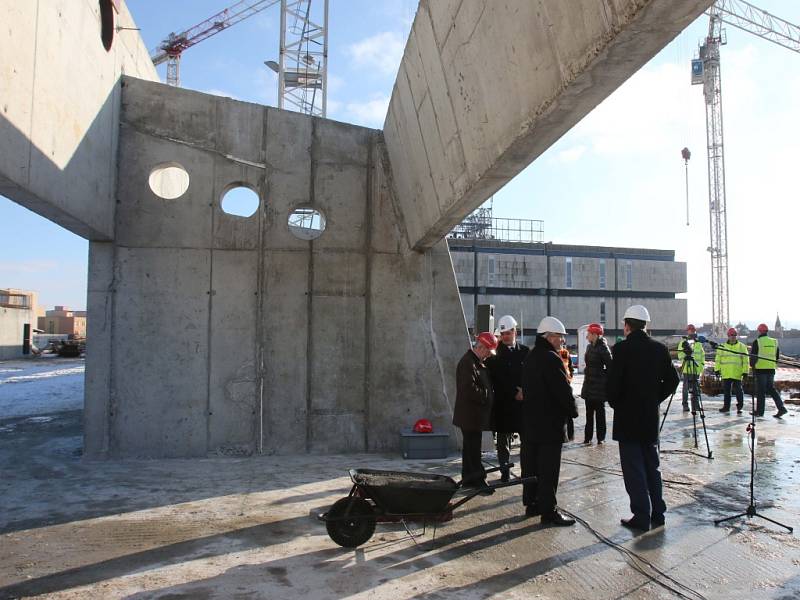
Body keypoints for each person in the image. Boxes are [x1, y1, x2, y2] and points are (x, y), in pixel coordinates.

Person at [607, 305, 679, 531]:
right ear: (646, 326)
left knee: (634, 469)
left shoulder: (620, 350)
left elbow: (612, 388)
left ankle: (641, 515)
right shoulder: (659, 349)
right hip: (649, 418)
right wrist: (654, 399)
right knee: (652, 466)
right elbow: (673, 381)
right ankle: (658, 512)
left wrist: (618, 404)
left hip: (627, 420)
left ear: (627, 325)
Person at [521, 316, 579, 526]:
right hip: (550, 425)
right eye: (559, 337)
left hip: (531, 423)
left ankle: (532, 503)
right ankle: (549, 511)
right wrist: (573, 411)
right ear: (549, 337)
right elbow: (562, 391)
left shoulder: (530, 357)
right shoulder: (551, 359)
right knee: (548, 470)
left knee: (531, 466)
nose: (562, 341)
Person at [453, 332, 498, 494]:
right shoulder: (468, 363)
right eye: (487, 352)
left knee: (470, 448)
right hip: (471, 415)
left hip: (472, 415)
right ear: (481, 347)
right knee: (473, 449)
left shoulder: (474, 362)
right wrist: (486, 395)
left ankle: (468, 478)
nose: (488, 356)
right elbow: (468, 388)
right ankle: (478, 481)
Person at [486, 315, 528, 482]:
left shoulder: (525, 352)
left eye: (508, 333)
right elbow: (497, 379)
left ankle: (527, 470)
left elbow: (531, 375)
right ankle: (504, 471)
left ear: (514, 332)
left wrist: (525, 391)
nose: (505, 337)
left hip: (522, 404)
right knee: (503, 441)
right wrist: (514, 392)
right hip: (504, 405)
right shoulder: (494, 356)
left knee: (526, 440)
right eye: (502, 334)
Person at [581, 323, 612, 444]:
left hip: (599, 387)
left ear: (595, 334)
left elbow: (610, 366)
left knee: (600, 414)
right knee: (589, 414)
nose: (587, 336)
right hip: (589, 385)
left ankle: (601, 438)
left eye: (588, 334)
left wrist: (601, 375)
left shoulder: (603, 348)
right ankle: (587, 438)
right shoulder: (589, 347)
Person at [749, 323, 787, 418]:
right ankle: (781, 408)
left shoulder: (757, 342)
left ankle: (760, 412)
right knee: (771, 389)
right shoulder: (774, 342)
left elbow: (753, 357)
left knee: (761, 391)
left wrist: (752, 366)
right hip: (771, 369)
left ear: (759, 331)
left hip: (761, 370)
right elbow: (777, 356)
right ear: (767, 331)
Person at [714, 327, 748, 415]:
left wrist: (745, 372)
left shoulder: (742, 347)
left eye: (734, 335)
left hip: (737, 373)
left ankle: (740, 407)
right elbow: (718, 359)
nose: (733, 337)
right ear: (728, 336)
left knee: (739, 391)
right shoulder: (722, 347)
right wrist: (717, 370)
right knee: (727, 392)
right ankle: (726, 407)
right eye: (731, 335)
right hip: (726, 373)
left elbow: (745, 360)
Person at [679, 324, 705, 413]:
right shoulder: (683, 342)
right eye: (690, 330)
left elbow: (702, 355)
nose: (692, 332)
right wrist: (686, 354)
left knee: (695, 389)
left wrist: (701, 366)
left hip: (696, 369)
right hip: (687, 368)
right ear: (687, 331)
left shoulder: (698, 343)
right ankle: (685, 405)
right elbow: (680, 355)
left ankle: (696, 406)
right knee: (686, 388)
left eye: (693, 330)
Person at [558, 343, 576, 441]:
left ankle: (570, 435)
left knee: (569, 412)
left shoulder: (565, 353)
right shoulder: (550, 353)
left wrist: (569, 379)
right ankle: (563, 436)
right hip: (557, 387)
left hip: (566, 385)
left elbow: (571, 368)